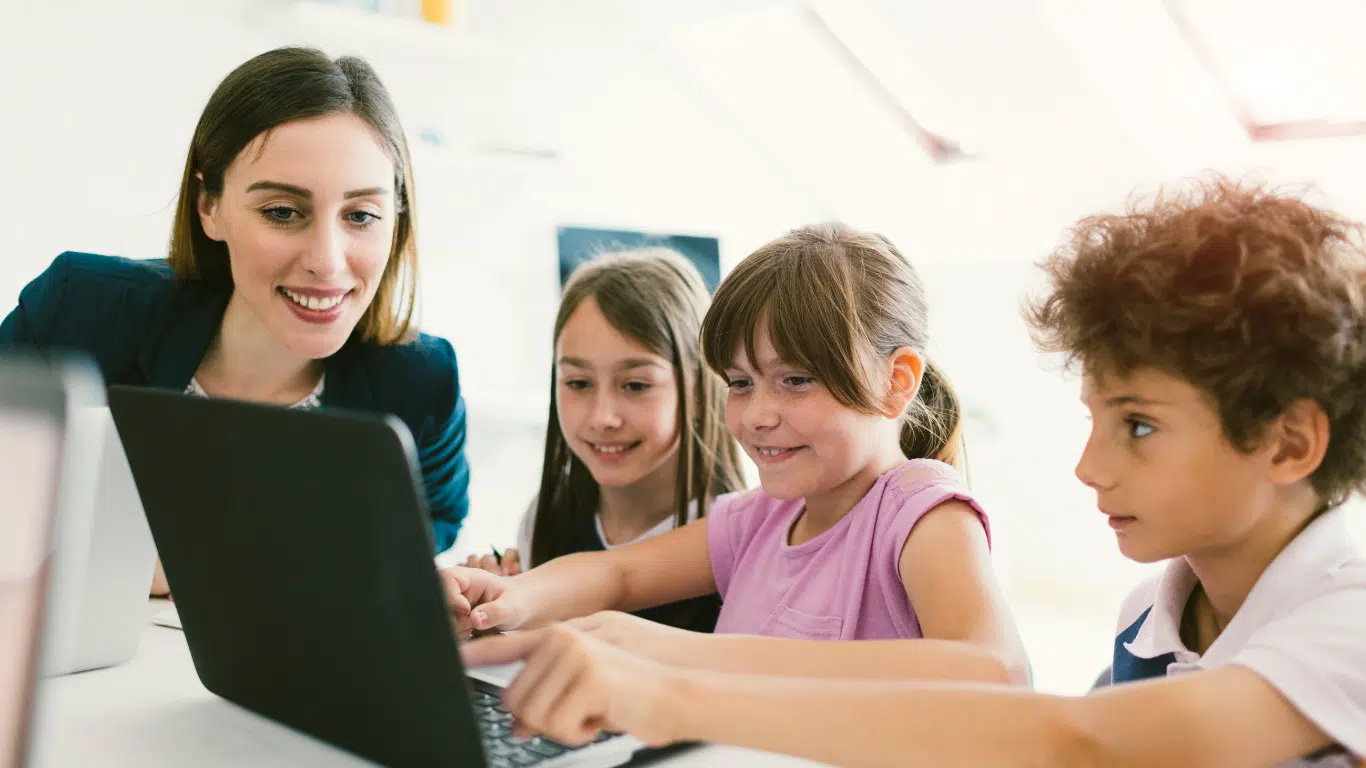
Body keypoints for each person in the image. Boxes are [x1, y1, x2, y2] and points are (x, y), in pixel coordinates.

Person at [463, 179, 1366, 767]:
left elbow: (1075, 739)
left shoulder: (1349, 616)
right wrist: (560, 623)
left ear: (1290, 444)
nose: (1089, 467)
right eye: (1097, 421)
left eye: (1136, 426)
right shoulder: (1156, 618)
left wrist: (667, 677)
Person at [446, 224, 1028, 686]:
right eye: (741, 383)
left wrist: (696, 657)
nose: (756, 415)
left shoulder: (920, 513)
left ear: (896, 380)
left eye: (795, 380)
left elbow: (997, 672)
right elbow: (617, 574)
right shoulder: (760, 517)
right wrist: (504, 600)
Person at [0, 47, 472, 594]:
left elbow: (429, 530)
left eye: (361, 216)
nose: (326, 260)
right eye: (282, 212)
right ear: (209, 207)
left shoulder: (420, 381)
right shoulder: (80, 310)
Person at [464, 249, 744, 632]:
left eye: (635, 385)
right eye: (578, 383)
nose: (603, 417)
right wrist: (496, 612)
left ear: (699, 389)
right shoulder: (549, 517)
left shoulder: (741, 536)